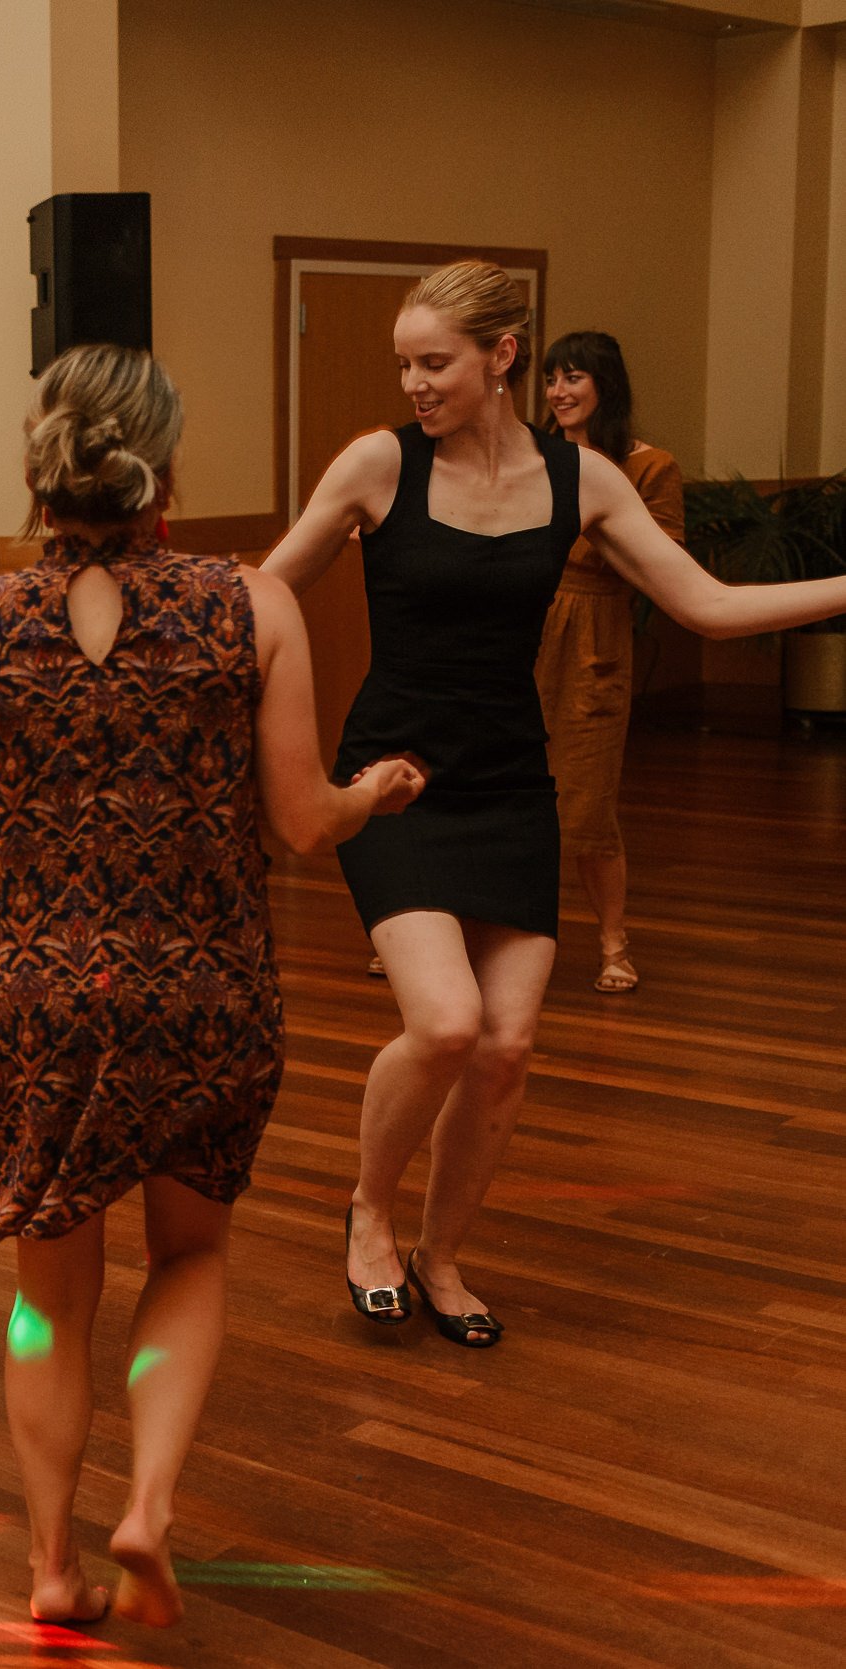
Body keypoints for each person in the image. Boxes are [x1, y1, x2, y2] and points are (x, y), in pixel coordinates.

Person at [0, 344, 423, 1629]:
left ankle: (51, 1562)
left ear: (42, 476)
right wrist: (375, 793)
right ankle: (145, 1505)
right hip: (200, 986)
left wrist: (19, 934)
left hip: (29, 993)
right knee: (190, 1252)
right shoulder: (248, 603)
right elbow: (306, 822)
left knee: (48, 1298)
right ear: (166, 470)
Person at [263, 261, 846, 1349]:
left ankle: (441, 1257)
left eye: (433, 362)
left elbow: (707, 605)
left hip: (508, 783)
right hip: (397, 784)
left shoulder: (583, 480)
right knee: (442, 1021)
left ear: (502, 358)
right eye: (403, 362)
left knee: (508, 1044)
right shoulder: (379, 464)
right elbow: (263, 589)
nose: (414, 381)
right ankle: (367, 1211)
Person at [536, 331, 684, 994]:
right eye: (551, 379)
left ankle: (613, 941)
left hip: (594, 635)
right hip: (523, 628)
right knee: (502, 789)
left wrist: (598, 512)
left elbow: (664, 565)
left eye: (574, 378)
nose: (559, 392)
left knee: (589, 799)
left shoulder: (651, 466)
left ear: (605, 386)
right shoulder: (531, 455)